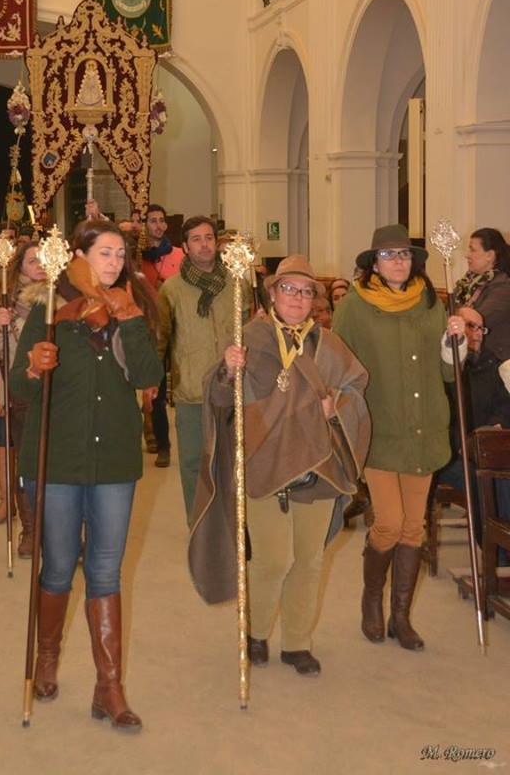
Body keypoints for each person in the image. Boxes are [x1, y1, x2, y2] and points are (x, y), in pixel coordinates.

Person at [10, 219, 162, 731]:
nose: (114, 262)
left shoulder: (134, 308)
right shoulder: (49, 309)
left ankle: (108, 687)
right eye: (105, 253)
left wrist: (130, 318)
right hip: (57, 459)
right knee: (57, 567)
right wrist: (34, 367)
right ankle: (47, 658)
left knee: (105, 571)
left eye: (120, 254)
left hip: (115, 460)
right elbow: (19, 389)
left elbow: (149, 377)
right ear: (79, 256)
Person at [189, 255, 369, 676]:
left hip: (319, 468)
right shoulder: (249, 338)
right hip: (264, 463)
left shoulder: (329, 345)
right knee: (271, 560)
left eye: (306, 291)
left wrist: (337, 405)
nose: (298, 298)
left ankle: (297, 643)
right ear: (272, 294)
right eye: (289, 289)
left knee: (309, 560)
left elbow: (357, 390)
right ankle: (255, 633)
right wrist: (226, 370)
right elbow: (219, 399)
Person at [333, 224, 465, 652]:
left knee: (414, 526)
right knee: (388, 524)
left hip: (424, 428)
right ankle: (372, 600)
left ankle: (401, 616)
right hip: (379, 429)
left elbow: (448, 372)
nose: (398, 262)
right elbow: (337, 365)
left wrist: (455, 343)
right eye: (389, 255)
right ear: (374, 262)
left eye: (404, 254)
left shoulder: (430, 303)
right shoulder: (353, 307)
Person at [158, 215, 248, 520]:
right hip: (192, 391)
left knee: (233, 461)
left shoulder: (237, 283)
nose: (204, 244)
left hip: (234, 388)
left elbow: (249, 330)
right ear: (185, 246)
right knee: (195, 463)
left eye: (209, 238)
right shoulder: (171, 289)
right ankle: (198, 524)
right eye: (196, 239)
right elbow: (161, 338)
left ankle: (232, 523)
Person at [0, 243, 47, 553]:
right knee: (27, 463)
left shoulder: (62, 296)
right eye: (32, 260)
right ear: (19, 267)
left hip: (59, 392)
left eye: (44, 259)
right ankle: (30, 529)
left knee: (60, 464)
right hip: (21, 393)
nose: (40, 265)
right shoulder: (3, 300)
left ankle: (64, 531)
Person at [437, 305, 510, 558]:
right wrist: (463, 443)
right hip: (451, 454)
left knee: (502, 475)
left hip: (488, 448)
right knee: (482, 480)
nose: (477, 334)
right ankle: (495, 554)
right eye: (470, 326)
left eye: (481, 329)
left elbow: (504, 405)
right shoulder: (445, 370)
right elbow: (441, 417)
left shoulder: (492, 365)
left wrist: (497, 424)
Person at [140, 204, 184, 468]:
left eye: (161, 220)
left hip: (177, 326)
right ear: (145, 225)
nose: (157, 225)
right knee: (155, 388)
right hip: (149, 330)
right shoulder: (138, 257)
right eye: (152, 220)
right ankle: (162, 445)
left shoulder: (178, 255)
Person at [454, 227, 510, 380]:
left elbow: (475, 321)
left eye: (473, 250)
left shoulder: (503, 286)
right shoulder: (468, 283)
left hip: (493, 366)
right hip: (473, 360)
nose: (467, 255)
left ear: (490, 255)